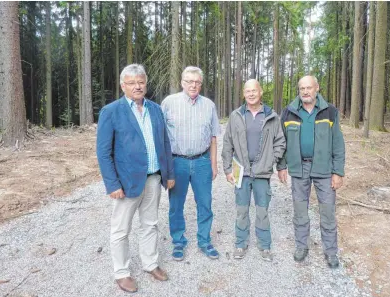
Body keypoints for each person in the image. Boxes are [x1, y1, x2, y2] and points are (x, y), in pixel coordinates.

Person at [96, 64, 175, 293]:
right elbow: (103, 152)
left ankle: (150, 263)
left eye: (140, 81)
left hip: (153, 178)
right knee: (121, 230)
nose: (137, 86)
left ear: (145, 84)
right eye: (131, 83)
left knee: (150, 224)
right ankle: (121, 272)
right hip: (126, 182)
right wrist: (112, 184)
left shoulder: (155, 109)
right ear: (123, 86)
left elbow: (165, 143)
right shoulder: (111, 111)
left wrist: (168, 174)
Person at [277, 75, 345, 269]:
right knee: (300, 211)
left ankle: (331, 252)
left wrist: (338, 171)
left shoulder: (329, 111)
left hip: (324, 169)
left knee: (328, 211)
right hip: (299, 169)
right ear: (299, 91)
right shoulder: (288, 112)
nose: (305, 92)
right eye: (302, 88)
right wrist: (281, 166)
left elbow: (338, 143)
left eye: (309, 88)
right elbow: (282, 142)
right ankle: (301, 246)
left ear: (317, 88)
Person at [222, 79, 286, 261]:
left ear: (261, 92)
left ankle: (264, 246)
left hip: (261, 174)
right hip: (241, 172)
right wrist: (228, 169)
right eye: (247, 91)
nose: (251, 94)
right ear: (244, 93)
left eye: (254, 91)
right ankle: (240, 244)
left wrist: (271, 160)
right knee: (242, 210)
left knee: (262, 211)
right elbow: (227, 144)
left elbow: (280, 142)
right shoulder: (236, 116)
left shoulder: (272, 116)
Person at [161, 66, 220, 261]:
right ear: (182, 82)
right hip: (177, 162)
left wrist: (214, 164)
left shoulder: (209, 105)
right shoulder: (169, 103)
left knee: (205, 203)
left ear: (201, 84)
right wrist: (166, 168)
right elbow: (161, 137)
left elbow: (213, 137)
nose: (193, 85)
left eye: (197, 82)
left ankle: (204, 240)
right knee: (176, 205)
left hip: (202, 161)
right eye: (189, 81)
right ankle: (178, 241)